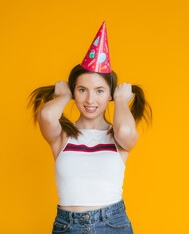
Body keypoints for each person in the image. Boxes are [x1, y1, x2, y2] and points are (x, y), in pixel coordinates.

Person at [27, 21, 152, 233]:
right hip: (68, 226)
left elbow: (126, 131)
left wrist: (121, 99)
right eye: (82, 90)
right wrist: (64, 94)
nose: (90, 99)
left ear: (110, 94)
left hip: (113, 224)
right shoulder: (62, 136)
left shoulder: (118, 139)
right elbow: (47, 115)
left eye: (100, 91)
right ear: (74, 92)